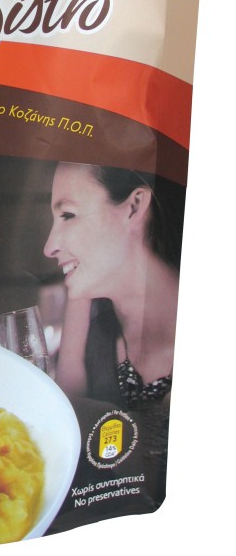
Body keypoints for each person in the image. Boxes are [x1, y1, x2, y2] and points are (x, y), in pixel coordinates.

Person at [43, 162, 184, 408]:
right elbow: (65, 411)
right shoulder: (84, 303)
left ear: (134, 206)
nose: (49, 248)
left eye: (68, 215)